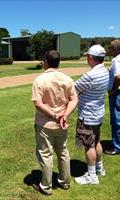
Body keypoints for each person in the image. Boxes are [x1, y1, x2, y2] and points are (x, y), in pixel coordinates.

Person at [31, 50, 78, 195]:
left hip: (45, 124)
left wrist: (55, 115)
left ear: (45, 61)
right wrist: (64, 115)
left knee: (46, 154)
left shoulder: (40, 80)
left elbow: (38, 103)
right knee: (63, 152)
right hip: (61, 124)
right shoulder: (67, 79)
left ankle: (46, 186)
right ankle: (64, 182)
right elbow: (74, 99)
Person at [74, 45, 109, 185]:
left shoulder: (91, 75)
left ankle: (92, 175)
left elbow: (74, 89)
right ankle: (100, 168)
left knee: (89, 145)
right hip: (98, 113)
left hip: (88, 115)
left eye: (88, 56)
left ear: (91, 57)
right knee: (97, 141)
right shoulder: (105, 71)